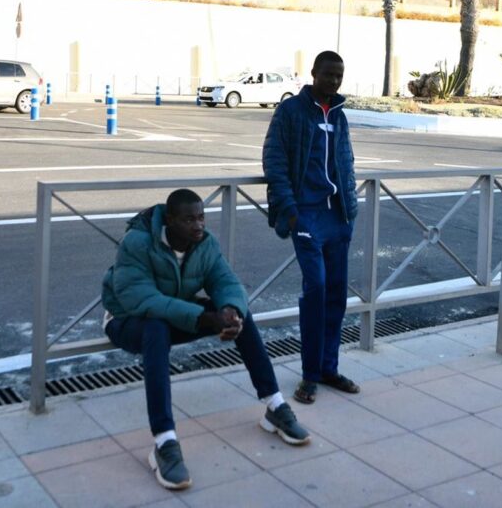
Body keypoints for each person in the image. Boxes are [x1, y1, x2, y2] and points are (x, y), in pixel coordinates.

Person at [101, 188, 310, 491]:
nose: (198, 225)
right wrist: (201, 319)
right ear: (169, 221)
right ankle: (164, 443)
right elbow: (139, 299)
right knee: (157, 328)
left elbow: (226, 281)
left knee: (241, 315)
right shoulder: (138, 242)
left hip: (175, 314)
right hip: (127, 320)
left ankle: (275, 406)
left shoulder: (204, 244)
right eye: (189, 220)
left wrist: (228, 312)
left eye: (201, 217)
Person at [263, 50, 360, 405]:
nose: (334, 81)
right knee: (316, 289)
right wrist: (290, 211)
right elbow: (274, 160)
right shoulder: (290, 112)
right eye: (329, 74)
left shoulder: (340, 115)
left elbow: (346, 163)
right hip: (306, 216)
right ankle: (309, 375)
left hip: (337, 218)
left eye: (340, 75)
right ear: (314, 73)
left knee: (336, 295)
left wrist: (350, 211)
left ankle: (328, 368)